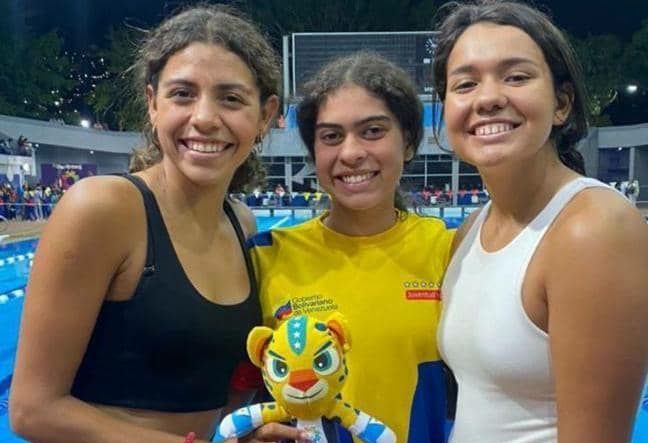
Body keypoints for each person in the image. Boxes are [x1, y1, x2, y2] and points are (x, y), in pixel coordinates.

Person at [9, 5, 306, 443]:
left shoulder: (240, 222)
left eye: (231, 98)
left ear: (265, 115)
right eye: (183, 94)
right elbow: (32, 409)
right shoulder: (104, 209)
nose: (204, 118)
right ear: (152, 104)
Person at [433, 2, 648, 442]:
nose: (488, 98)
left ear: (562, 103)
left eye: (516, 77)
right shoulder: (470, 231)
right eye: (465, 83)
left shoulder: (594, 230)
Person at [248, 52, 455, 443]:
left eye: (373, 131)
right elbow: (234, 390)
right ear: (314, 153)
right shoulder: (267, 254)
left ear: (409, 142)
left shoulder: (447, 249)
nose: (351, 152)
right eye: (331, 137)